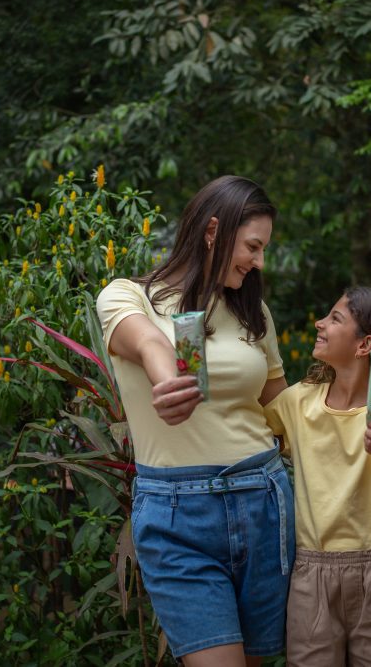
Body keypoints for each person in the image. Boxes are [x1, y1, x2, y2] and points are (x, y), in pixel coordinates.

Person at [95, 175, 292, 666]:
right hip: (177, 516)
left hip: (264, 502)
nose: (258, 262)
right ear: (212, 231)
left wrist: (359, 415)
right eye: (253, 247)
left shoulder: (253, 312)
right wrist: (172, 387)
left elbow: (284, 410)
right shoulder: (127, 296)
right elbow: (149, 343)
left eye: (263, 250)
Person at [263, 287, 371, 666]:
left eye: (335, 319)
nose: (319, 323)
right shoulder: (298, 401)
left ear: (364, 345)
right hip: (311, 580)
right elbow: (247, 428)